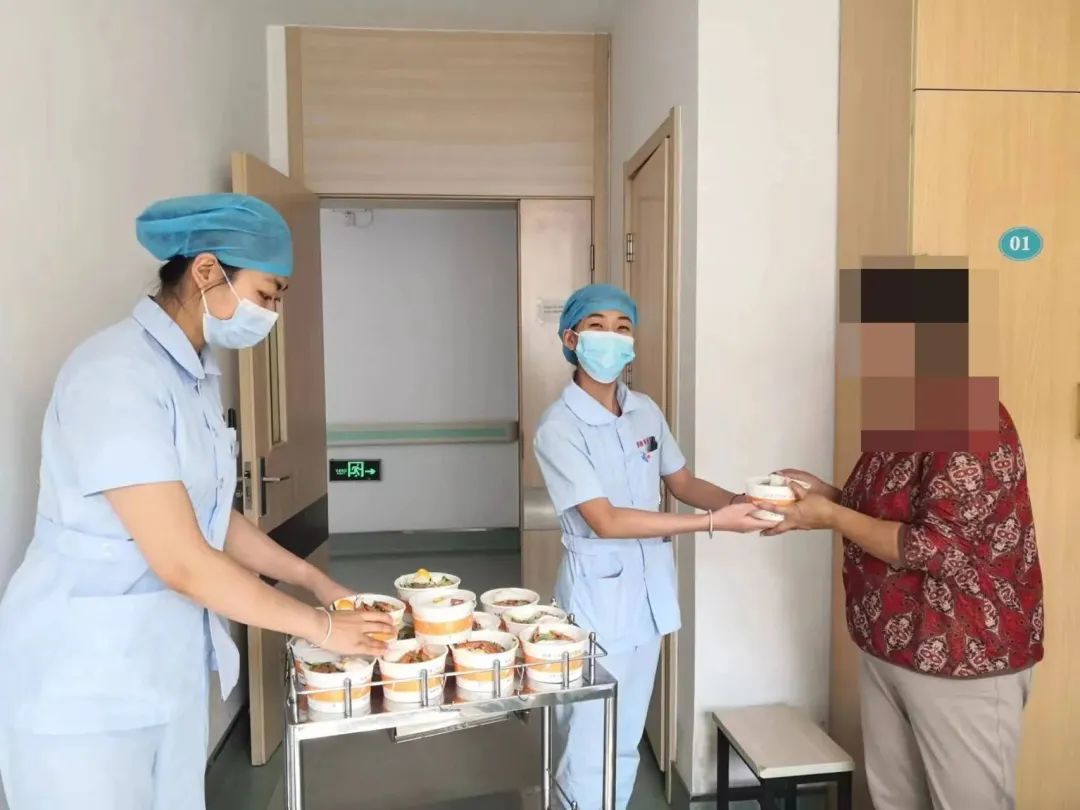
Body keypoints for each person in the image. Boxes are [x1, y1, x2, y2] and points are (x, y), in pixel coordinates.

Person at [0, 194, 392, 810]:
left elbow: (210, 515)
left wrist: (313, 580)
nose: (271, 314)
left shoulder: (193, 375)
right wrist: (322, 628)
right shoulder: (116, 375)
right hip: (81, 680)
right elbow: (183, 558)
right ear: (208, 270)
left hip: (161, 665)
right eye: (266, 294)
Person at [532, 283, 772, 810]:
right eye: (597, 326)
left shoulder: (644, 411)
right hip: (597, 601)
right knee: (590, 738)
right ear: (571, 338)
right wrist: (714, 523)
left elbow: (682, 482)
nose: (612, 337)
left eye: (623, 327)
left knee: (626, 736)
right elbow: (605, 520)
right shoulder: (559, 427)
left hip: (649, 596)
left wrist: (745, 502)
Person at [769, 402, 1043, 810]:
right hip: (888, 645)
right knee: (895, 800)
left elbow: (937, 546)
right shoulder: (903, 414)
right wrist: (826, 497)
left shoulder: (970, 415)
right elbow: (885, 516)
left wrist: (831, 516)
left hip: (961, 653)